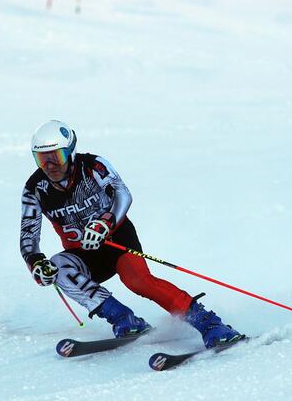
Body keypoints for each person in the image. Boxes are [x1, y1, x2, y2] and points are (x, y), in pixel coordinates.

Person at [20, 120, 244, 348]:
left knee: (138, 281)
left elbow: (123, 194)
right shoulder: (34, 189)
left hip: (116, 240)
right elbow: (28, 236)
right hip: (83, 253)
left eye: (56, 157)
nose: (50, 166)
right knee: (58, 267)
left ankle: (210, 324)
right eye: (42, 159)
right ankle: (123, 319)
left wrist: (105, 223)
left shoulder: (93, 166)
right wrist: (36, 263)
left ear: (70, 152)